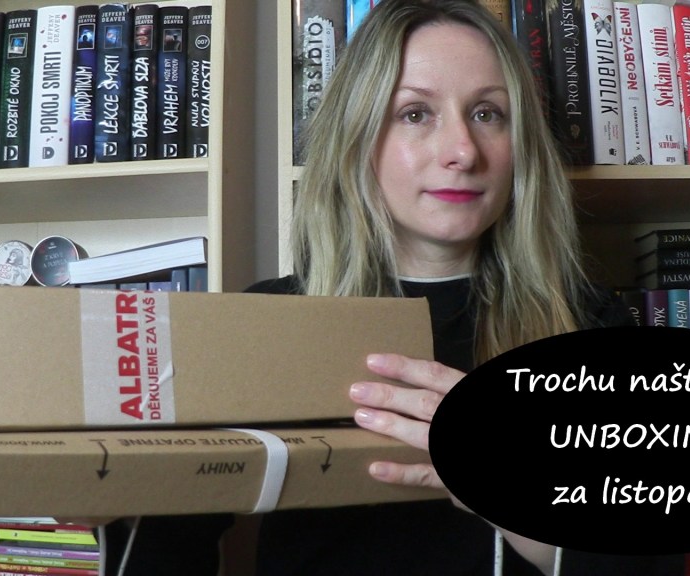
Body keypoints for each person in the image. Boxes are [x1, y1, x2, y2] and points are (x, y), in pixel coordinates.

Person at [106, 1, 660, 574]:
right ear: (358, 138)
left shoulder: (592, 323)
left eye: (488, 113)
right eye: (415, 113)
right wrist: (105, 489)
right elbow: (162, 545)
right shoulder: (266, 322)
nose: (463, 151)